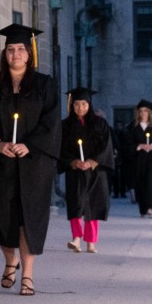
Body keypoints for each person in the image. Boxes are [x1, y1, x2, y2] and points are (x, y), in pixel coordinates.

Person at [0, 24, 61, 297]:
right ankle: (11, 260)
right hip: (0, 164)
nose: (16, 54)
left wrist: (27, 145)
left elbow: (52, 123)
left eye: (21, 49)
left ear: (30, 54)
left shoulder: (45, 85)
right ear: (4, 53)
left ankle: (28, 275)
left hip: (34, 164)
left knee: (28, 219)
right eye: (11, 49)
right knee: (0, 217)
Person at [58, 87, 113, 253]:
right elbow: (61, 149)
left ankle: (91, 242)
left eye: (83, 104)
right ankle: (76, 238)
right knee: (75, 202)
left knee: (93, 204)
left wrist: (92, 161)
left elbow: (106, 147)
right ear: (71, 105)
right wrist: (73, 162)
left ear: (89, 104)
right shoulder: (65, 126)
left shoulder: (100, 123)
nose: (80, 107)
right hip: (75, 170)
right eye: (76, 104)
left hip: (95, 171)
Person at [126, 100, 152, 217]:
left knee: (150, 182)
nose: (143, 113)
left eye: (145, 111)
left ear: (149, 113)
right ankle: (142, 209)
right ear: (138, 113)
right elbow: (128, 144)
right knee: (140, 183)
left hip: (151, 158)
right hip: (138, 159)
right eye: (141, 111)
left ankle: (150, 207)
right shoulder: (132, 127)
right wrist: (139, 146)